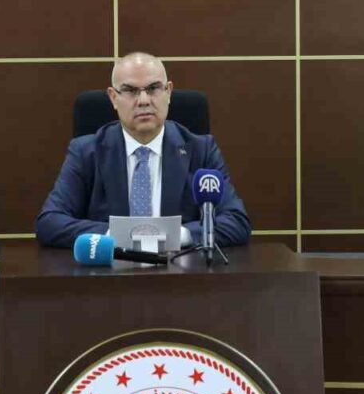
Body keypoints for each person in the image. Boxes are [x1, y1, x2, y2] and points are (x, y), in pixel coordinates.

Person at [36, 52, 251, 249]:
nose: (144, 101)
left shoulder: (201, 150)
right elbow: (50, 222)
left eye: (153, 88)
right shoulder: (86, 152)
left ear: (168, 92)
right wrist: (117, 236)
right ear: (113, 98)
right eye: (130, 91)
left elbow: (236, 221)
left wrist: (178, 235)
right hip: (110, 272)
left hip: (180, 271)